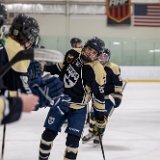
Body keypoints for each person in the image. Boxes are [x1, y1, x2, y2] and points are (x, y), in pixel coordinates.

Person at [39, 37, 107, 160]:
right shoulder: (73, 53)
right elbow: (60, 67)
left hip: (78, 110)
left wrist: (100, 118)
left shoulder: (97, 71)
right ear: (85, 47)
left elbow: (98, 97)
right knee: (47, 135)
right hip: (60, 102)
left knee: (73, 142)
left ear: (97, 56)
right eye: (89, 49)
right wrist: (44, 68)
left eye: (94, 52)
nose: (90, 53)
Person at [0, 12, 66, 110]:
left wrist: (31, 82)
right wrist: (38, 95)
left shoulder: (6, 43)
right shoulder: (14, 51)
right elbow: (15, 97)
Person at [82, 48, 123, 145]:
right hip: (97, 96)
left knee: (102, 117)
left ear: (108, 57)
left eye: (104, 56)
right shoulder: (94, 66)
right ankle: (92, 133)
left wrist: (118, 97)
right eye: (101, 56)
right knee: (92, 116)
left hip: (109, 97)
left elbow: (118, 83)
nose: (102, 58)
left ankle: (99, 135)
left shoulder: (113, 67)